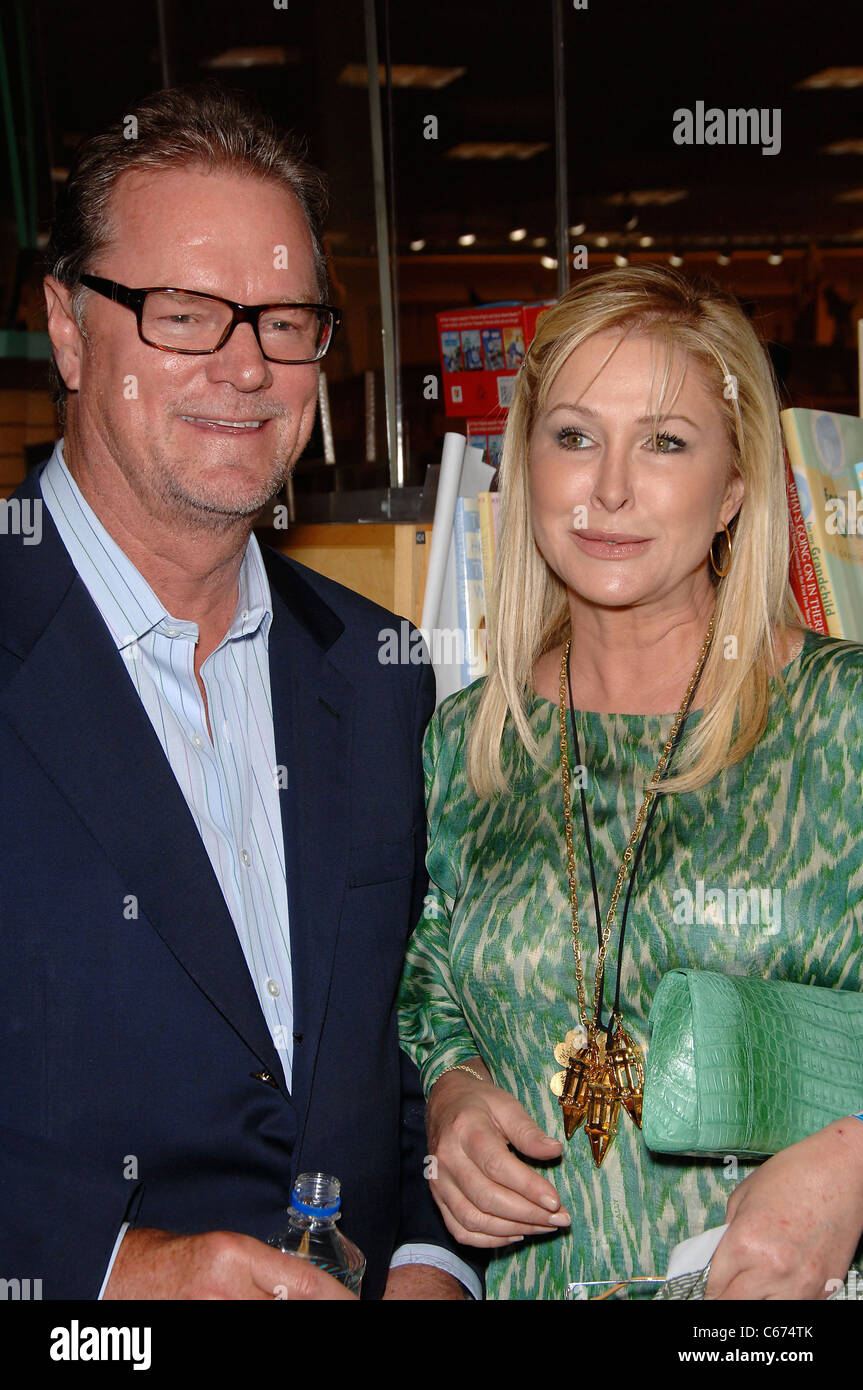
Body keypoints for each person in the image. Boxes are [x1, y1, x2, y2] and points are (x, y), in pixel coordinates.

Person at [0, 84, 479, 1301]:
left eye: (283, 319)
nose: (245, 366)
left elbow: (426, 1031)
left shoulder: (380, 676)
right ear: (66, 329)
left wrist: (432, 1260)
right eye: (183, 314)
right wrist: (114, 1273)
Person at [398, 265, 863, 1300]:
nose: (607, 489)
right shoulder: (469, 743)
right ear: (525, 464)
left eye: (662, 441)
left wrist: (855, 1161)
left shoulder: (841, 723)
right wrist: (455, 1099)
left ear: (735, 484)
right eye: (572, 436)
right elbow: (432, 995)